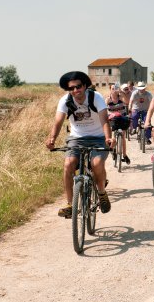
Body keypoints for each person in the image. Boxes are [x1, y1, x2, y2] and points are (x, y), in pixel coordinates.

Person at [45, 71, 114, 218]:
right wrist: (52, 139)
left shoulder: (96, 97)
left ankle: (101, 193)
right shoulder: (65, 101)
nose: (75, 90)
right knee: (68, 164)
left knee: (96, 164)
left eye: (78, 86)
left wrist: (109, 138)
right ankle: (70, 204)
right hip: (76, 138)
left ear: (85, 86)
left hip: (98, 138)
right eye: (71, 88)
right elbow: (58, 121)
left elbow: (105, 121)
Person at [106, 84, 131, 164]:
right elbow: (103, 108)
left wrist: (121, 92)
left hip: (121, 118)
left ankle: (124, 154)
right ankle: (113, 149)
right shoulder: (108, 99)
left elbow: (127, 102)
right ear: (110, 90)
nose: (114, 90)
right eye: (112, 88)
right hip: (112, 119)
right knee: (113, 137)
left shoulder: (121, 97)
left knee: (123, 136)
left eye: (115, 88)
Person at [128, 81, 152, 145]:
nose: (141, 89)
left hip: (145, 110)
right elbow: (131, 101)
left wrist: (151, 110)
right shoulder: (134, 93)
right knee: (134, 116)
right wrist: (130, 108)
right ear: (138, 88)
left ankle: (147, 137)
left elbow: (152, 102)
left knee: (148, 122)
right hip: (136, 109)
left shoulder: (148, 94)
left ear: (145, 88)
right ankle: (134, 128)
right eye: (140, 88)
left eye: (143, 88)